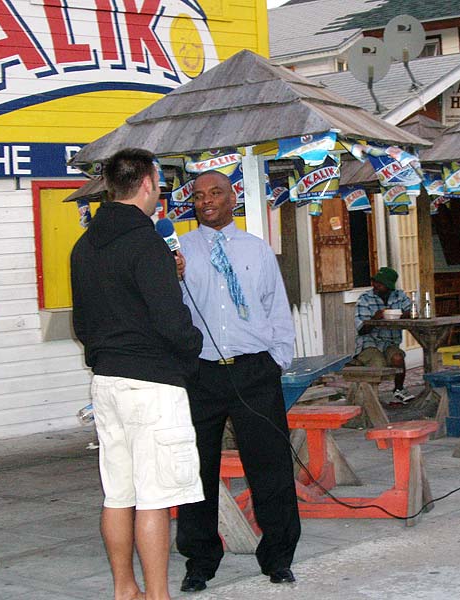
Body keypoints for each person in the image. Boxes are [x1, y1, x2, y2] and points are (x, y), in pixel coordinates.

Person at [70, 148, 205, 600]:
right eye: (160, 185)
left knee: (117, 494)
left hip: (106, 382)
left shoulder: (84, 245)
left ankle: (124, 590)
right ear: (147, 184)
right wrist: (191, 354)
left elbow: (82, 325)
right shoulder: (147, 242)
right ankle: (158, 595)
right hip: (152, 383)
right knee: (154, 497)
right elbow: (173, 324)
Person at [175, 170, 300, 592]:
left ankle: (279, 557)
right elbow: (171, 313)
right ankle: (201, 561)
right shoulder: (179, 252)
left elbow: (275, 307)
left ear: (233, 198)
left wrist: (276, 360)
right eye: (197, 195)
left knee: (271, 467)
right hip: (201, 373)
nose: (206, 200)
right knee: (196, 471)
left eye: (215, 193)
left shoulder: (256, 249)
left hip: (253, 370)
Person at [352, 267, 414, 404]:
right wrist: (375, 319)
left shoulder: (400, 296)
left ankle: (399, 390)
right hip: (369, 343)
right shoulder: (365, 299)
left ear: (389, 286)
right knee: (378, 364)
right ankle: (370, 400)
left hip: (390, 342)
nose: (375, 285)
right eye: (374, 282)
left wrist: (400, 314)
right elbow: (361, 330)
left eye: (380, 284)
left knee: (398, 358)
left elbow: (411, 311)